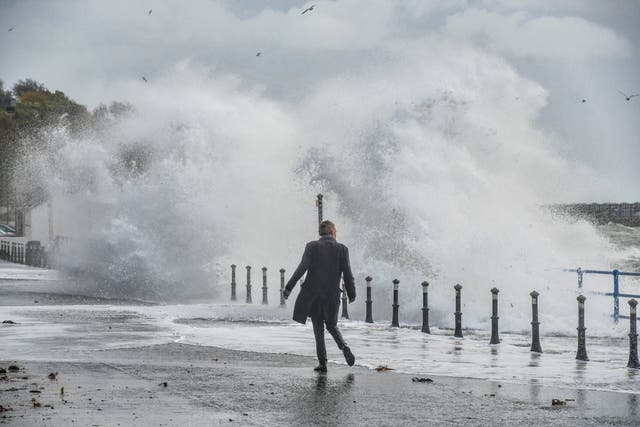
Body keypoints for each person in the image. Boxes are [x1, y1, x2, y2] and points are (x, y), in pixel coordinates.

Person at [283, 220, 356, 372]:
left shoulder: (312, 246)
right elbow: (348, 274)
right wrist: (352, 293)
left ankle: (323, 363)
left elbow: (301, 269)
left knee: (318, 328)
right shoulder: (342, 249)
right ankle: (344, 347)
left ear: (320, 233)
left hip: (314, 296)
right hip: (332, 295)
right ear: (333, 232)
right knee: (331, 325)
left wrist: (289, 287)